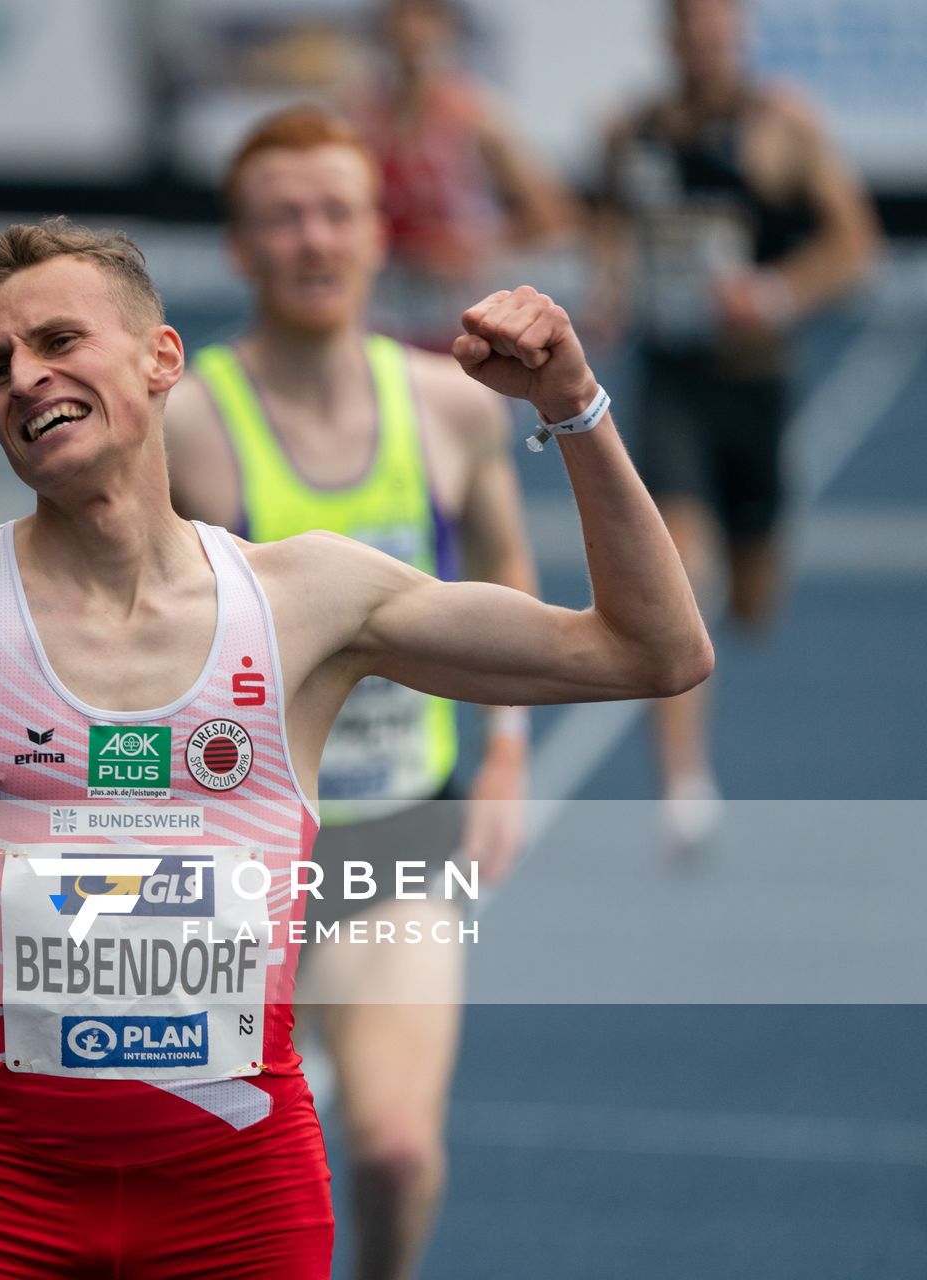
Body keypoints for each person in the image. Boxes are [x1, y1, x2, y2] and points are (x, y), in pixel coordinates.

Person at [0, 216, 711, 1279]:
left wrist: (573, 403)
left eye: (59, 340)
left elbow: (654, 650)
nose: (24, 376)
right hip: (14, 1207)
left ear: (161, 359)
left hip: (245, 1209)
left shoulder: (305, 600)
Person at [163, 105, 535, 1280]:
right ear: (240, 245)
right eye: (283, 217)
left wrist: (507, 752)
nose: (314, 239)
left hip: (398, 831)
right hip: (228, 844)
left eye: (337, 212)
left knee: (392, 1152)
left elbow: (507, 571)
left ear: (379, 233)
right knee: (204, 1181)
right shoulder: (184, 428)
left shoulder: (451, 406)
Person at [597, 0, 879, 852]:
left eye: (725, 36)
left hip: (756, 385)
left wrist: (777, 295)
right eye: (697, 36)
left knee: (752, 604)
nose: (712, 51)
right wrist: (611, 286)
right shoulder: (634, 133)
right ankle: (686, 786)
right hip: (672, 381)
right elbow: (608, 228)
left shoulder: (784, 128)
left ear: (741, 39)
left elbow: (855, 243)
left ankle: (743, 565)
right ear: (673, 41)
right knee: (683, 571)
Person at [352, 0, 574, 350]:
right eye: (401, 16)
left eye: (424, 16)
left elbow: (552, 215)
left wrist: (475, 249)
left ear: (446, 29)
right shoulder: (362, 117)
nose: (410, 30)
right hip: (382, 323)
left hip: (461, 322)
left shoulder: (476, 115)